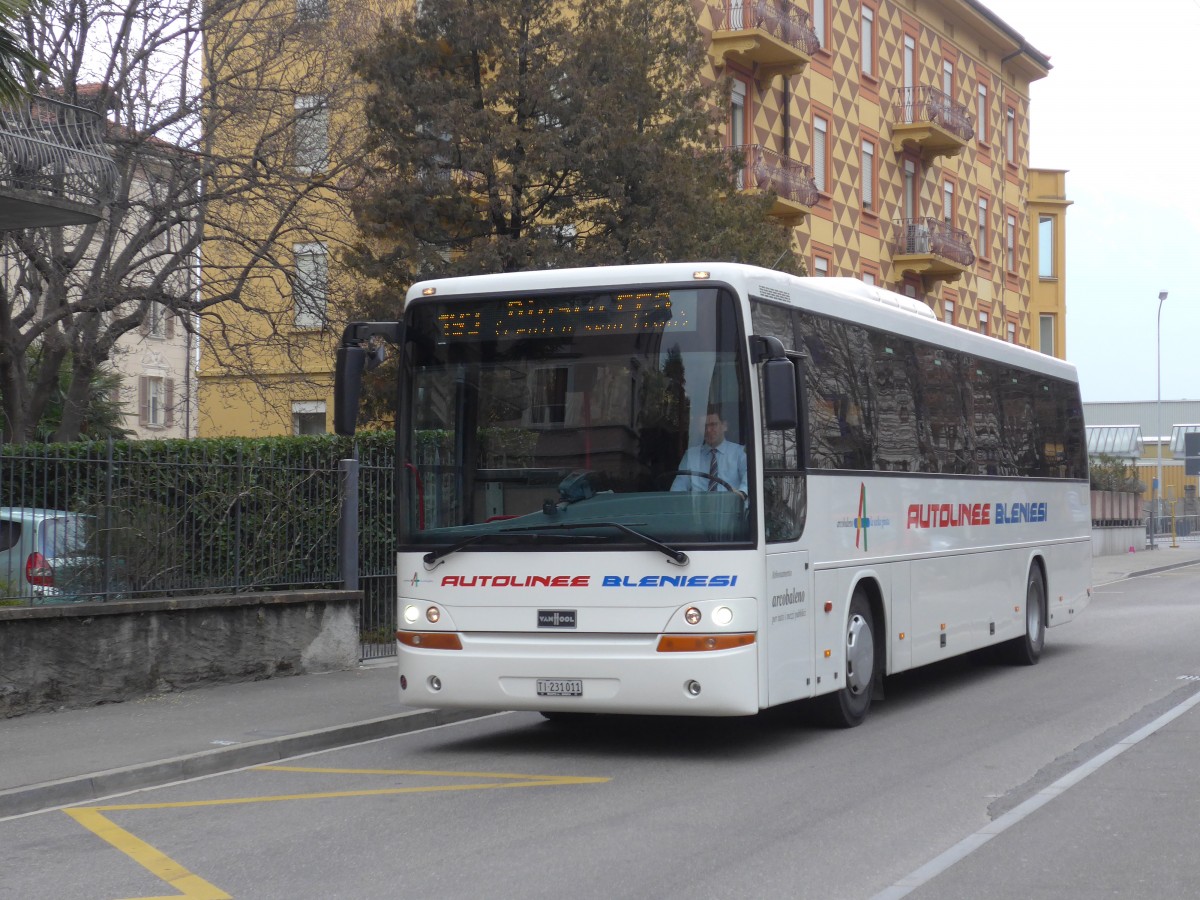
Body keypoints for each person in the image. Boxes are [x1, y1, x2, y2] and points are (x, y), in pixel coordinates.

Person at [671, 408, 747, 495]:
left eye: (713, 425)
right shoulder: (691, 455)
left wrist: (742, 493)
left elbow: (749, 480)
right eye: (704, 426)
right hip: (699, 507)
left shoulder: (740, 453)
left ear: (724, 426)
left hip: (730, 507)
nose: (708, 430)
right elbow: (679, 487)